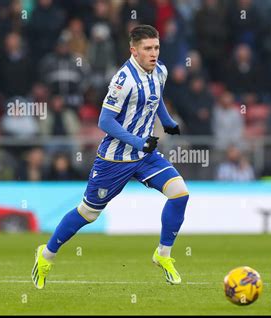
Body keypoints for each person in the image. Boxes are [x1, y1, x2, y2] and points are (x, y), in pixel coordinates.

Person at [32, 25, 189, 288]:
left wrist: (168, 121)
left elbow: (156, 98)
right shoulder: (123, 80)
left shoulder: (159, 70)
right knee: (88, 213)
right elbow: (104, 121)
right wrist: (138, 141)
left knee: (180, 193)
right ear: (134, 51)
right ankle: (46, 255)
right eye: (147, 49)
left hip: (145, 155)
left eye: (156, 47)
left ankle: (163, 254)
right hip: (115, 159)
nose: (153, 53)